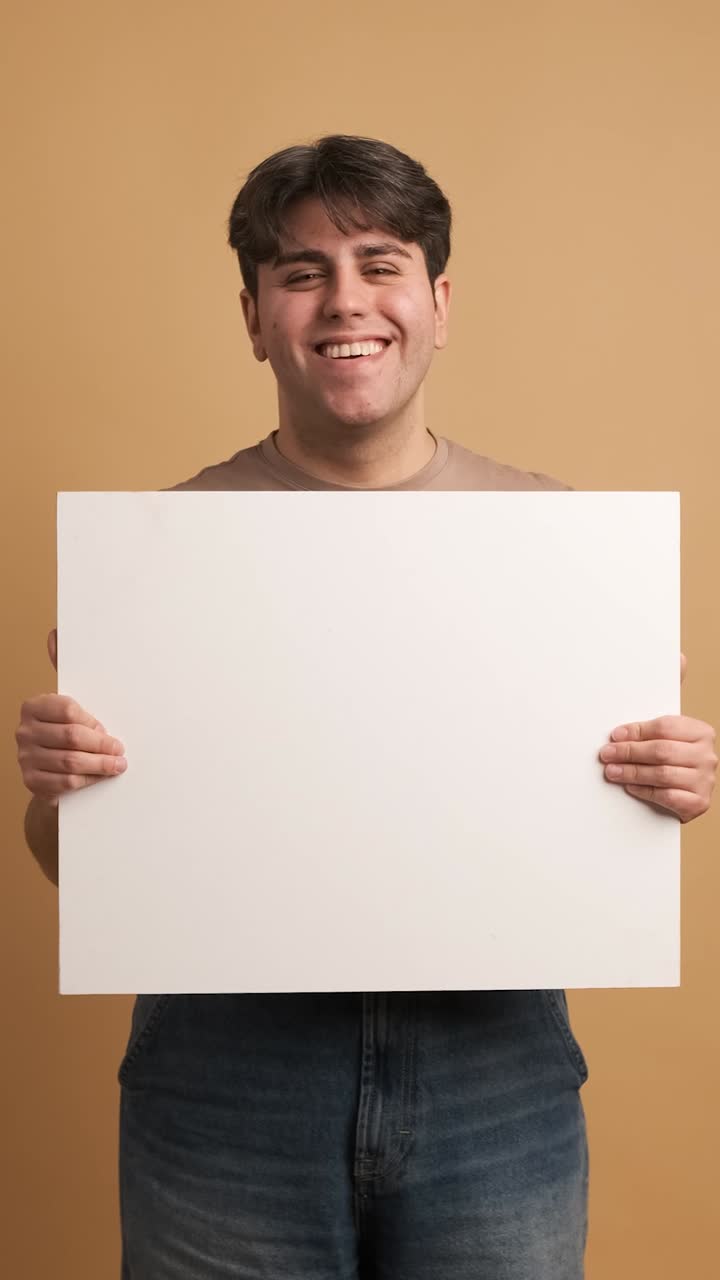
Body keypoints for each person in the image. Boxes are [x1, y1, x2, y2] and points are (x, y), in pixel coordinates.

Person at [16, 134, 717, 1279]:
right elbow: (71, 853)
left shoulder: (558, 539)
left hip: (493, 1063)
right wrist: (60, 791)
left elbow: (617, 808)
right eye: (302, 272)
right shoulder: (160, 550)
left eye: (380, 263)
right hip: (225, 1072)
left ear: (438, 302)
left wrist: (671, 784)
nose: (346, 301)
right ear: (253, 315)